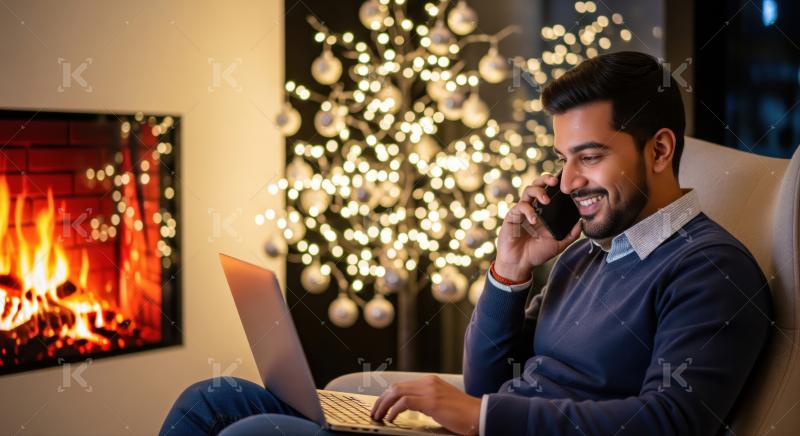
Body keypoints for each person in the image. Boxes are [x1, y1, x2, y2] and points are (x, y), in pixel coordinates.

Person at [160, 51, 772, 436]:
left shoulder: (709, 271)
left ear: (660, 150)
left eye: (589, 158)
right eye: (562, 160)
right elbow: (486, 377)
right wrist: (510, 273)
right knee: (212, 398)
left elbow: (673, 422)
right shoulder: (587, 249)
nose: (567, 183)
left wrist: (479, 417)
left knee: (255, 432)